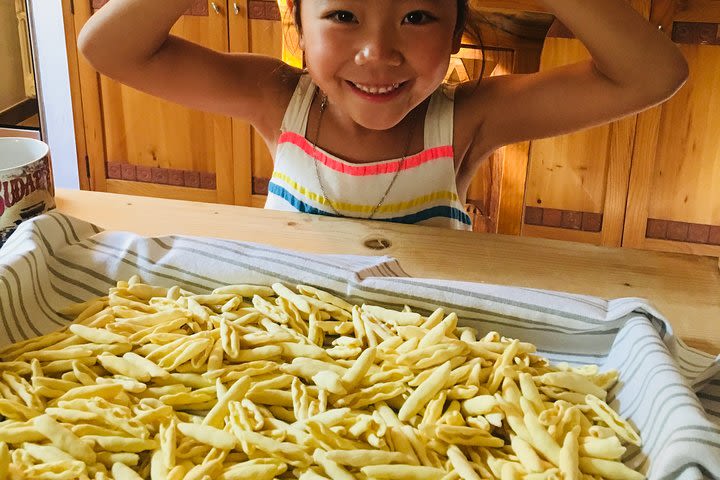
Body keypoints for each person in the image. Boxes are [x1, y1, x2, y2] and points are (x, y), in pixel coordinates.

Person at [78, 0, 688, 230]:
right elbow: (107, 48)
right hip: (285, 361)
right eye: (343, 16)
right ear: (296, 26)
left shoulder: (469, 120)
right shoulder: (274, 97)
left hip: (419, 371)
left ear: (455, 37)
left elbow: (652, 75)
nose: (378, 53)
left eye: (417, 17)